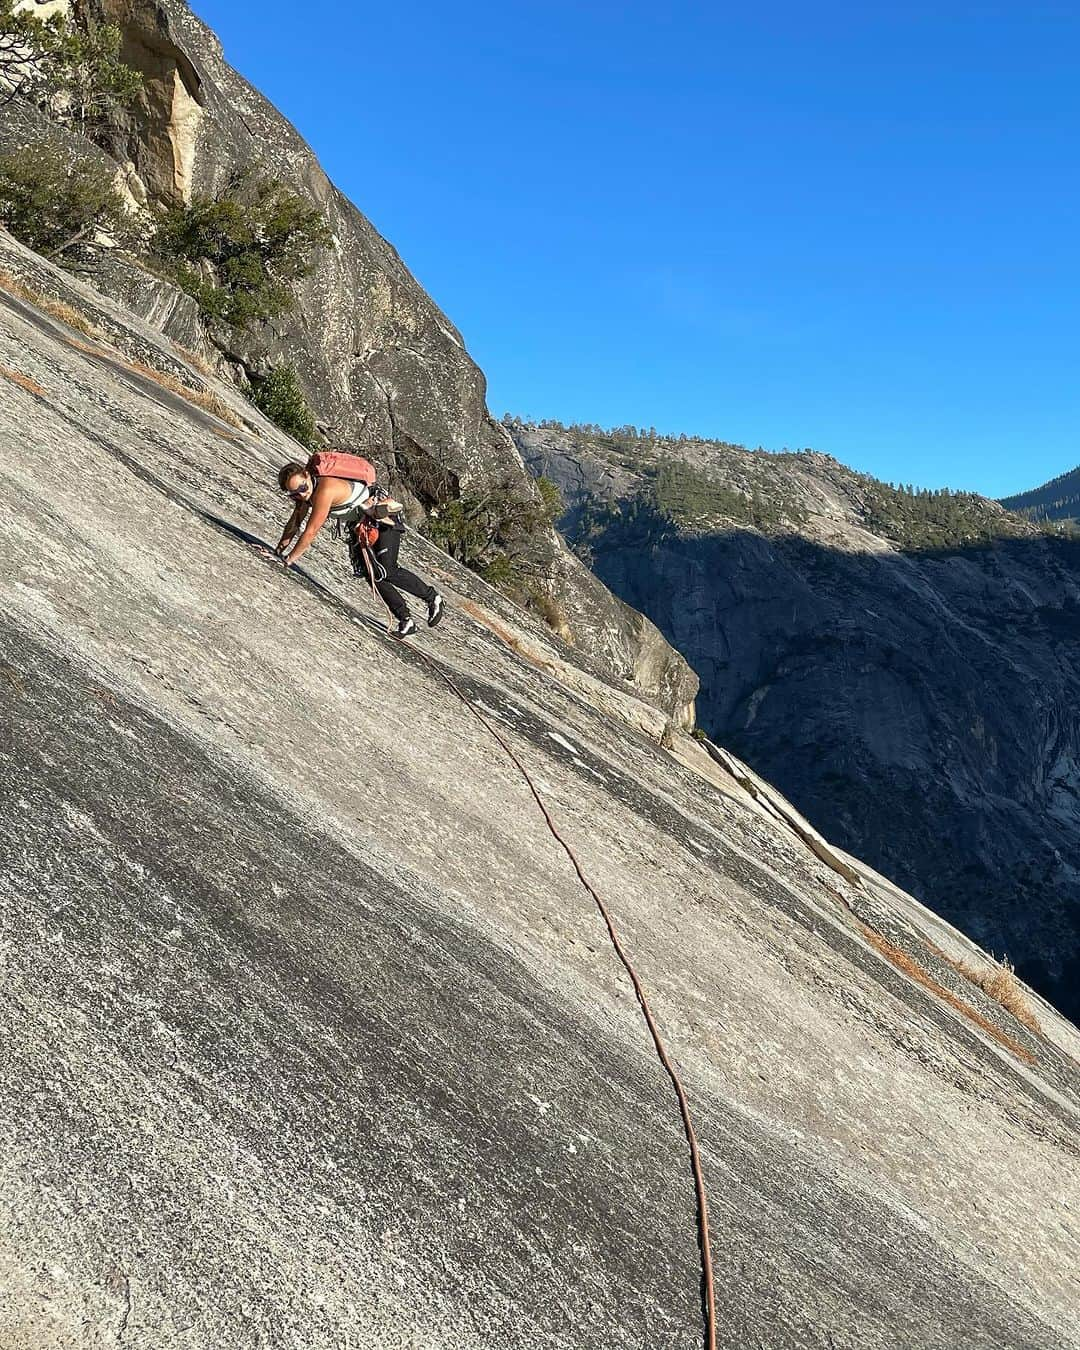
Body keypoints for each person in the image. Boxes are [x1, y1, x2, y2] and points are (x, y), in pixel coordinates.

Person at [274, 459, 444, 637]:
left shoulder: (325, 490)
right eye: (294, 494)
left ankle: (433, 598)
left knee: (387, 569)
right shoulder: (305, 495)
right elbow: (295, 523)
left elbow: (311, 531)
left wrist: (288, 560)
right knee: (371, 573)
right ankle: (406, 620)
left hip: (380, 515)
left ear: (307, 475)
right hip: (362, 523)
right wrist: (278, 552)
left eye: (302, 488)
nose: (301, 495)